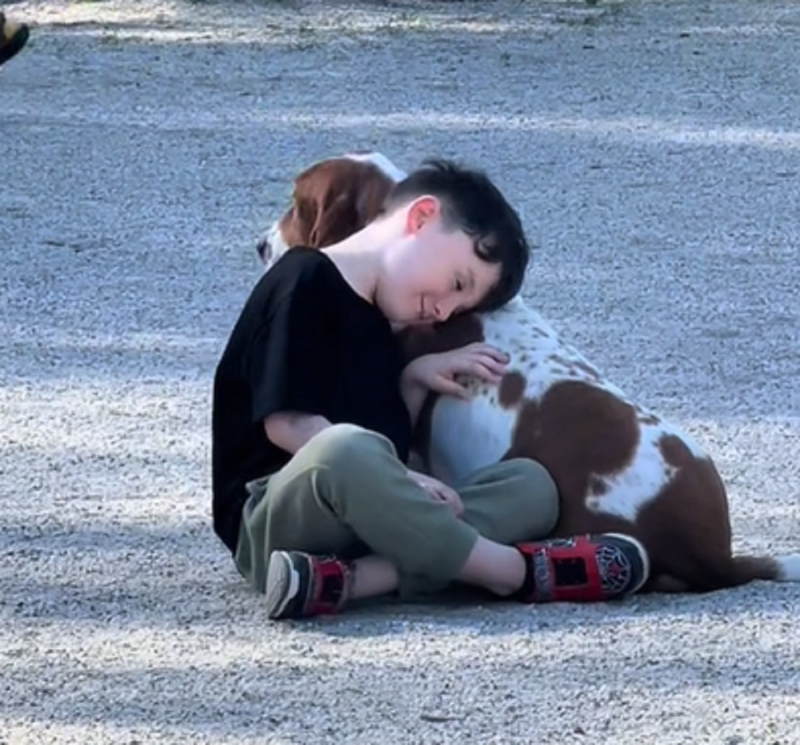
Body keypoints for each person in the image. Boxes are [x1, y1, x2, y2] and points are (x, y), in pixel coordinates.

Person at [211, 158, 649, 621]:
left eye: (462, 303)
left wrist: (413, 380)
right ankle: (516, 573)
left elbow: (389, 447)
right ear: (421, 218)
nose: (444, 312)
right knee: (345, 448)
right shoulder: (303, 279)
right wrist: (400, 478)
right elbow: (288, 423)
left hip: (366, 520)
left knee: (531, 485)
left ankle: (344, 580)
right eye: (457, 284)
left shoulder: (383, 321)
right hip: (274, 519)